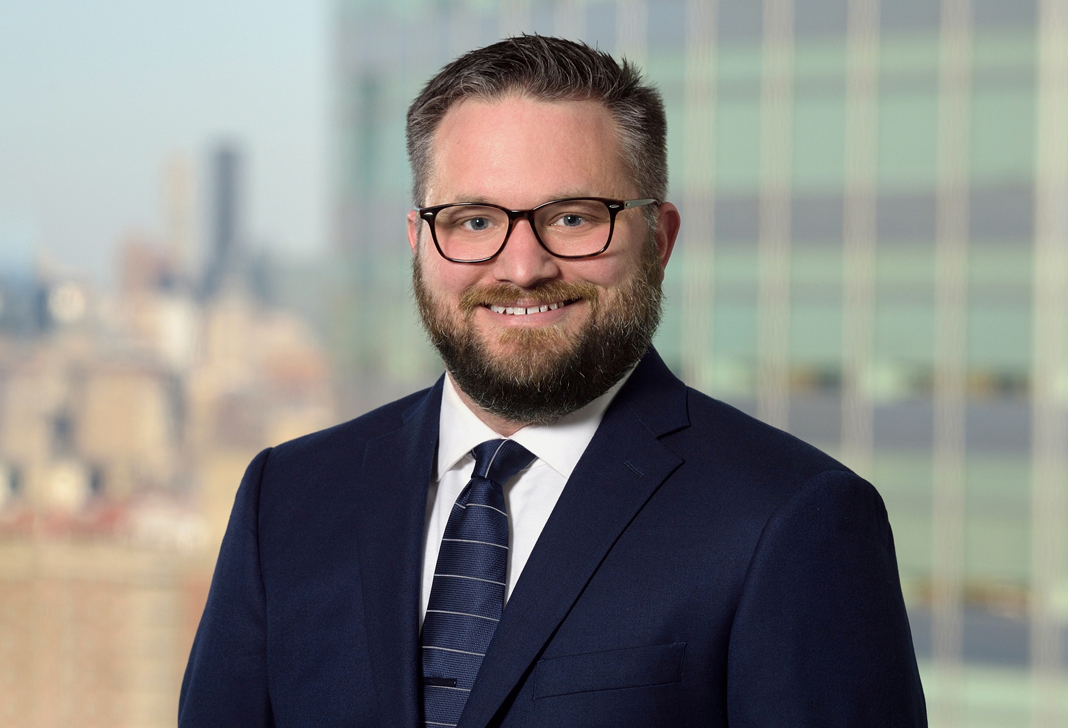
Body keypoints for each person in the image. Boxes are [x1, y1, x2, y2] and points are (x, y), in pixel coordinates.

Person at [179, 35, 926, 727]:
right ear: (420, 243)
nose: (522, 267)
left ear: (659, 240)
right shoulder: (287, 498)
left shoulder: (794, 520)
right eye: (474, 221)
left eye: (573, 218)